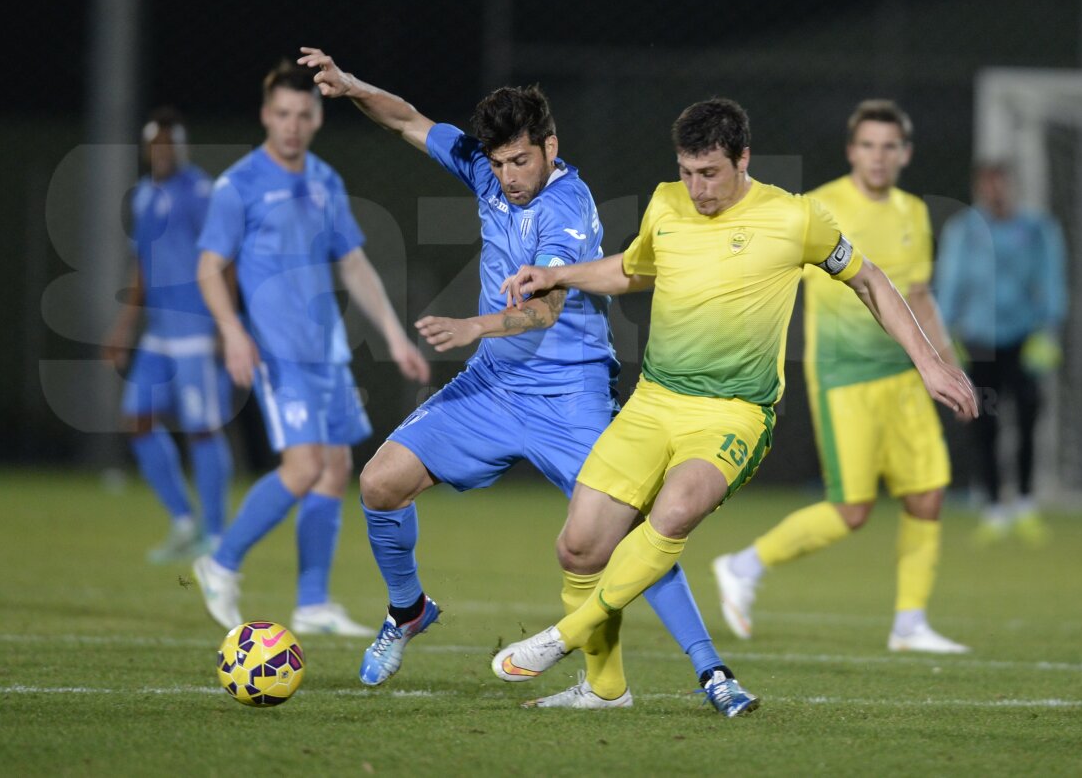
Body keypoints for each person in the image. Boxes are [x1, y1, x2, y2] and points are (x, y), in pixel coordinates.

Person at [492, 98, 978, 714]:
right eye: (687, 172)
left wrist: (929, 360)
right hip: (654, 402)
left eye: (710, 173)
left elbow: (869, 279)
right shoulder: (667, 202)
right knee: (579, 547)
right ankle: (605, 688)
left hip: (734, 413)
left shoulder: (795, 218)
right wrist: (556, 275)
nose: (697, 189)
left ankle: (565, 634)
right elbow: (634, 270)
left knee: (673, 513)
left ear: (743, 159)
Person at [297, 45, 734, 711]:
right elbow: (407, 119)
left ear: (550, 147)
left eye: (520, 161)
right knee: (380, 483)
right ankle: (408, 610)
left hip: (570, 395)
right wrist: (352, 84)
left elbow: (545, 308)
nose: (508, 176)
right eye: (499, 163)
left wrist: (474, 326)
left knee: (625, 531)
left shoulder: (567, 206)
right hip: (494, 387)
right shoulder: (486, 170)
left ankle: (710, 670)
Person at [714, 100, 973, 654]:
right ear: (852, 151)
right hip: (844, 380)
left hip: (903, 378)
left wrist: (949, 364)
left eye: (889, 146)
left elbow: (919, 295)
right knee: (851, 510)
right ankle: (744, 565)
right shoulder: (820, 207)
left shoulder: (912, 211)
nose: (878, 156)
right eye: (868, 145)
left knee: (927, 496)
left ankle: (910, 624)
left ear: (904, 154)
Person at [190, 61, 430, 637]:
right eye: (282, 114)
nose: (292, 125)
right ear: (265, 116)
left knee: (337, 468)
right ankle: (220, 563)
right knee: (303, 468)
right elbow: (208, 267)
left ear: (317, 118)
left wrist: (394, 336)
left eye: (302, 114)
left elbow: (353, 263)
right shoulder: (239, 185)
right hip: (279, 352)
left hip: (328, 352)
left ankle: (313, 603)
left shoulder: (324, 180)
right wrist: (233, 332)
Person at [103, 107, 235, 564]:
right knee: (137, 420)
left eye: (169, 143)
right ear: (146, 148)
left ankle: (215, 535)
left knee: (202, 429)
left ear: (182, 147)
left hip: (196, 329)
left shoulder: (199, 191)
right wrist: (123, 327)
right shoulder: (143, 195)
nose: (162, 151)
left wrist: (227, 323)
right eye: (155, 144)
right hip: (158, 332)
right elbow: (141, 267)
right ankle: (183, 521)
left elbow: (224, 257)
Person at [935, 162, 1067, 544]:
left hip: (1023, 338)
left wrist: (1049, 330)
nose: (995, 192)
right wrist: (946, 340)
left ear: (1014, 187)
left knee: (1028, 417)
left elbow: (1051, 278)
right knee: (983, 422)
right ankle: (993, 508)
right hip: (978, 340)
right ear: (980, 188)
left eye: (1002, 184)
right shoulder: (965, 230)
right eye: (988, 185)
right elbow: (950, 283)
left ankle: (1025, 502)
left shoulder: (1036, 229)